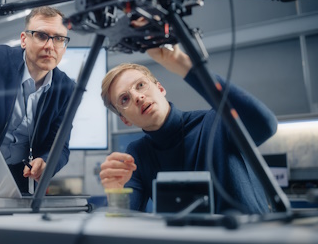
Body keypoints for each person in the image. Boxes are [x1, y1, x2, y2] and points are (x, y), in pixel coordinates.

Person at [99, 44, 278, 214]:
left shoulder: (217, 123)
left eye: (140, 85)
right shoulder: (137, 154)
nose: (137, 97)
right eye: (124, 99)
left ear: (160, 88)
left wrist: (181, 63)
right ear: (125, 120)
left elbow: (265, 124)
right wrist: (115, 191)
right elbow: (125, 222)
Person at [0, 6, 75, 194]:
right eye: (42, 36)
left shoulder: (67, 89)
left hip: (22, 179)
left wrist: (46, 162)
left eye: (59, 39)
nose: (50, 46)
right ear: (24, 40)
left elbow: (60, 146)